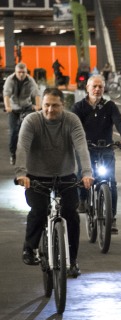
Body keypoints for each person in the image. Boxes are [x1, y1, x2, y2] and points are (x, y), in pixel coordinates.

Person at [15, 88, 93, 278]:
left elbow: (81, 147)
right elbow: (22, 147)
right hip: (35, 176)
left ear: (63, 105)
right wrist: (21, 173)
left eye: (55, 105)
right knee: (39, 209)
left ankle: (72, 260)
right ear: (41, 104)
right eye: (46, 105)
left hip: (65, 175)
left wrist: (87, 173)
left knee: (71, 215)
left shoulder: (71, 120)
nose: (50, 109)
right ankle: (30, 248)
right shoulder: (32, 120)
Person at [71, 75, 121, 234]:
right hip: (85, 149)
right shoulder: (79, 107)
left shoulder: (110, 106)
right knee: (82, 175)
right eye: (94, 86)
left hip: (106, 148)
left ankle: (111, 218)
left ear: (103, 89)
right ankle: (83, 199)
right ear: (87, 88)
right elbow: (73, 127)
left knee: (111, 181)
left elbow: (119, 121)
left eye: (100, 87)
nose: (97, 89)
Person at [4, 62, 42, 165]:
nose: (21, 74)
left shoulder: (30, 80)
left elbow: (36, 93)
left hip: (26, 107)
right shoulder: (10, 80)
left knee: (28, 129)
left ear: (26, 72)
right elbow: (6, 94)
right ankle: (13, 154)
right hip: (13, 108)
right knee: (13, 132)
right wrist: (8, 107)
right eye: (19, 72)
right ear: (15, 72)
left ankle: (30, 153)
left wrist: (38, 106)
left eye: (23, 72)